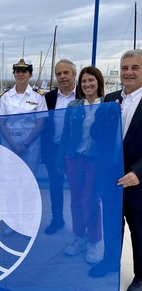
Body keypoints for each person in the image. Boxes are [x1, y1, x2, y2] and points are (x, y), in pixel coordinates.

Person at [90, 49, 142, 291]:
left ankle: (140, 275)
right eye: (125, 68)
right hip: (109, 177)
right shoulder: (110, 98)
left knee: (139, 230)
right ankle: (110, 262)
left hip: (136, 180)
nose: (128, 72)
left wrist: (138, 172)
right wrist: (107, 119)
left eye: (135, 68)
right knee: (112, 224)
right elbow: (95, 134)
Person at [57, 66, 105, 265]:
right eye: (84, 81)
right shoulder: (74, 106)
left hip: (96, 161)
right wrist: (60, 158)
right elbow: (66, 134)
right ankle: (79, 236)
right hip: (74, 159)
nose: (87, 84)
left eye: (91, 80)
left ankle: (93, 241)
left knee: (92, 201)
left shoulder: (108, 104)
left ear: (98, 83)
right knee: (76, 200)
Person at [42, 59, 78, 235]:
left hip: (78, 152)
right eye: (59, 73)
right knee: (55, 187)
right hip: (53, 150)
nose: (62, 76)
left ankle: (81, 227)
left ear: (74, 74)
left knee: (78, 190)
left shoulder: (84, 96)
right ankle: (57, 219)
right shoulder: (48, 98)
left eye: (66, 73)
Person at [0, 58, 48, 175]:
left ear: (30, 74)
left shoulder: (38, 96)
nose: (21, 74)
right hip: (9, 141)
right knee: (9, 178)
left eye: (24, 71)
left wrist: (25, 144)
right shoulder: (5, 97)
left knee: (29, 177)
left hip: (31, 142)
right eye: (17, 71)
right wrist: (13, 144)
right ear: (14, 74)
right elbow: (1, 123)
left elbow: (40, 123)